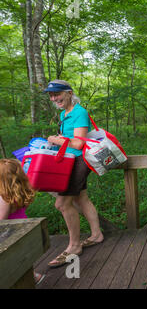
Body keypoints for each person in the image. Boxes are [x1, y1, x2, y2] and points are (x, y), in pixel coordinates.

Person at [44, 80, 104, 268]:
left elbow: (78, 143)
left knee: (62, 203)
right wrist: (59, 140)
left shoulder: (79, 112)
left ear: (69, 93)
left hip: (79, 161)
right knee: (81, 199)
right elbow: (69, 139)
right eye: (51, 95)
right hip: (69, 161)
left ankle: (75, 245)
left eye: (58, 94)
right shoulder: (64, 113)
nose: (54, 98)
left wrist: (55, 139)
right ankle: (96, 235)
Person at [0, 159, 45, 285]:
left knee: (11, 261)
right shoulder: (19, 192)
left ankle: (30, 278)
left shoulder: (5, 198)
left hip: (8, 233)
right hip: (22, 228)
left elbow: (1, 221)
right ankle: (33, 276)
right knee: (21, 259)